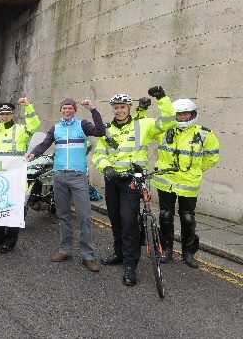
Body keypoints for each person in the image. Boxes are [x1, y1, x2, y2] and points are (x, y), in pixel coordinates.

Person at [92, 86, 175, 286]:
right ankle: (119, 254)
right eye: (115, 107)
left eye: (122, 107)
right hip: (112, 180)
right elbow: (99, 154)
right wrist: (106, 167)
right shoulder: (107, 129)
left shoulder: (142, 125)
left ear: (129, 108)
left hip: (132, 180)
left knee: (129, 222)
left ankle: (130, 266)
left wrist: (162, 98)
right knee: (115, 219)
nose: (118, 110)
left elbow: (169, 121)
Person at [26, 98, 105, 272]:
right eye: (64, 108)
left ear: (75, 110)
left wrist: (93, 109)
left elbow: (100, 131)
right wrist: (32, 154)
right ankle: (65, 250)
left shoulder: (82, 125)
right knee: (63, 215)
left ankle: (88, 255)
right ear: (61, 110)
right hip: (60, 176)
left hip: (78, 177)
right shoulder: (56, 128)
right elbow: (44, 144)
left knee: (85, 217)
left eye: (70, 108)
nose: (67, 111)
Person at [151, 99, 220, 268]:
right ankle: (167, 249)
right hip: (166, 181)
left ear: (192, 114)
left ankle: (188, 252)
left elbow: (212, 156)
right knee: (165, 215)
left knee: (187, 218)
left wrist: (195, 169)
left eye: (185, 114)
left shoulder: (204, 134)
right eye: (179, 114)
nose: (182, 117)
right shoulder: (165, 130)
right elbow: (147, 128)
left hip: (188, 183)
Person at [0, 97, 40, 253]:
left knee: (13, 208)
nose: (4, 116)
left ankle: (10, 241)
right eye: (1, 114)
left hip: (15, 178)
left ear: (12, 115)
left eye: (7, 114)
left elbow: (34, 124)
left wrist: (28, 106)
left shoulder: (21, 130)